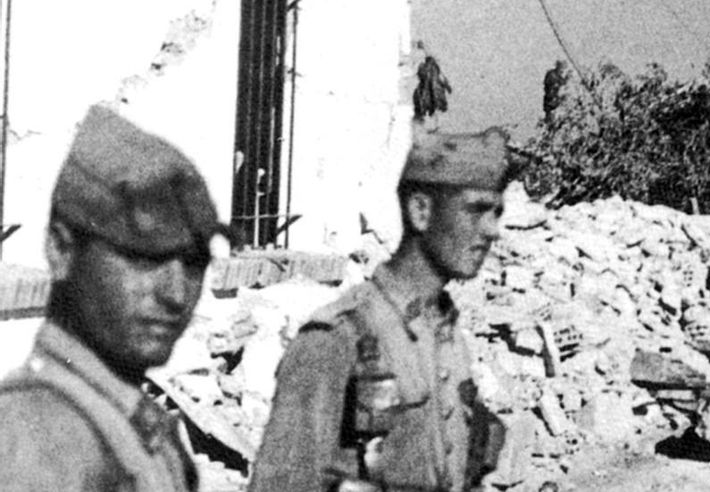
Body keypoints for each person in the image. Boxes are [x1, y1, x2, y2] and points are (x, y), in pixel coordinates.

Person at [249, 128, 522, 492]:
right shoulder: (338, 338)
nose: (491, 230)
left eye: (497, 213)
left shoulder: (446, 333)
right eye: (475, 210)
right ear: (420, 211)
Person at [0, 104, 228, 492]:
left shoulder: (130, 424)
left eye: (194, 263)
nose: (175, 294)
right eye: (143, 257)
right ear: (61, 250)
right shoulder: (35, 440)